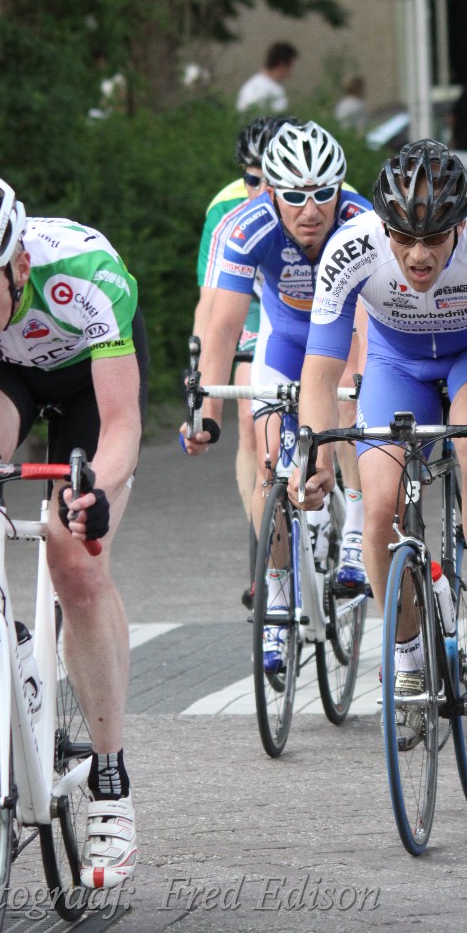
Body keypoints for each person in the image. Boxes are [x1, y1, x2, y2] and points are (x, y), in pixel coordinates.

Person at [291, 141, 467, 725]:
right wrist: (315, 461)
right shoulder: (350, 249)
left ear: (461, 226)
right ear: (384, 226)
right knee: (379, 508)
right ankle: (405, 661)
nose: (420, 253)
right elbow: (320, 375)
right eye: (404, 237)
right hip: (395, 364)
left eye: (435, 237)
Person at [0, 170, 145, 890]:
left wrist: (95, 491)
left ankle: (111, 780)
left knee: (75, 560)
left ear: (20, 266)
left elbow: (122, 424)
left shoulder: (85, 277)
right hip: (3, 375)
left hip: (88, 382)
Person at [181, 122, 372, 671]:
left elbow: (365, 325)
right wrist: (207, 413)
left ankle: (355, 533)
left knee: (349, 405)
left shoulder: (362, 223)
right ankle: (278, 595)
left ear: (340, 188)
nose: (310, 210)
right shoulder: (246, 226)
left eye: (323, 193)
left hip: (348, 331)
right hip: (284, 337)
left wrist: (356, 391)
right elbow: (222, 327)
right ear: (270, 191)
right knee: (269, 463)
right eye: (293, 195)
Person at [192, 114, 293, 605]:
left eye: (273, 180)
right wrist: (201, 397)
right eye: (253, 179)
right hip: (253, 304)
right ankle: (268, 551)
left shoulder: (323, 198)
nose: (262, 191)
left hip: (311, 303)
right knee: (252, 416)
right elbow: (211, 309)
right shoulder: (226, 210)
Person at [236, 42, 299, 114]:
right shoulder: (256, 88)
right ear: (281, 64)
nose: (291, 72)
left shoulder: (274, 86)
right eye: (291, 66)